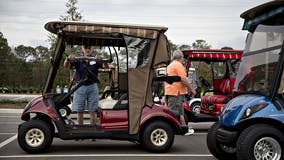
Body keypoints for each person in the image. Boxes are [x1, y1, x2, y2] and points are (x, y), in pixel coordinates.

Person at [64, 45, 106, 125]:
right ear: (82, 49)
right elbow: (66, 66)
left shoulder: (96, 59)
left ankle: (92, 131)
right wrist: (68, 58)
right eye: (86, 47)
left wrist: (103, 60)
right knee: (80, 111)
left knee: (92, 111)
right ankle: (80, 131)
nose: (88, 49)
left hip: (92, 86)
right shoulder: (78, 60)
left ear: (92, 48)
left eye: (89, 47)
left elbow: (105, 66)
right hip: (80, 87)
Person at [164, 50, 197, 136]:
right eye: (182, 58)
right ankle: (179, 130)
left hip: (170, 91)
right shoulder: (178, 65)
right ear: (180, 58)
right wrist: (191, 89)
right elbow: (183, 79)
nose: (183, 59)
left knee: (179, 112)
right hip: (176, 92)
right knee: (176, 113)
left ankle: (184, 128)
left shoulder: (170, 66)